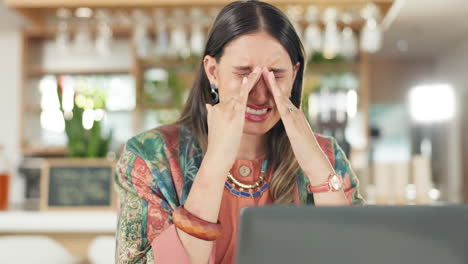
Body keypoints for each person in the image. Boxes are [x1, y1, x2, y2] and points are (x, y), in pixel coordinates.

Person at [114, 1, 365, 263]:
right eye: (244, 74)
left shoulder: (328, 156)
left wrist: (316, 166)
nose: (259, 93)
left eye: (276, 75)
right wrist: (216, 162)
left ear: (294, 74)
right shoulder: (151, 158)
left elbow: (358, 255)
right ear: (213, 71)